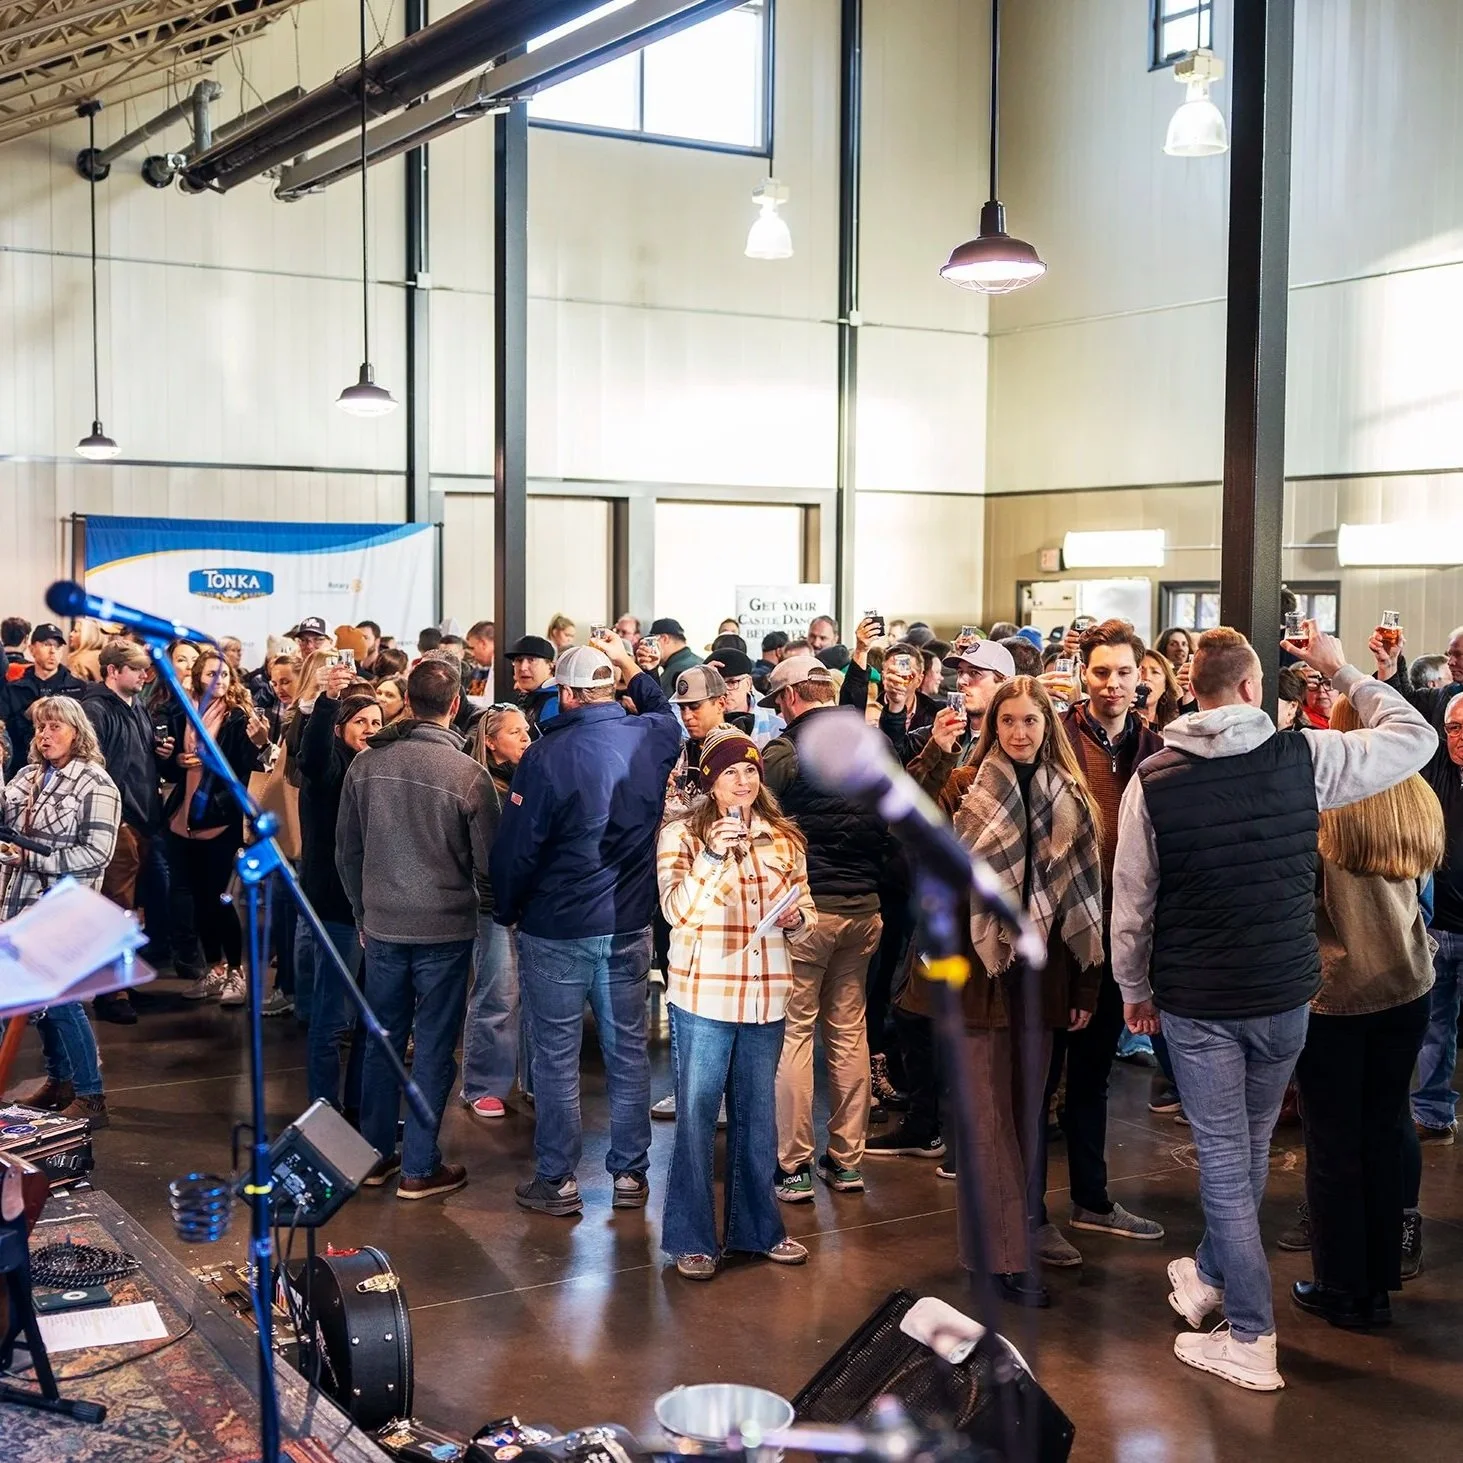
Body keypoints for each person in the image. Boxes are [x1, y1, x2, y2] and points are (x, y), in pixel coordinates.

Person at [1113, 622, 1435, 1392]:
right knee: (1246, 1151)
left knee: (1227, 1164)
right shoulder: (1306, 758)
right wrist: (1341, 667)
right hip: (1286, 996)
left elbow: (1131, 903)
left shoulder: (1152, 779)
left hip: (1198, 1001)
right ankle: (1210, 1279)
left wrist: (1131, 988)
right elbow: (1414, 735)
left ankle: (1251, 1337)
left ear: (1190, 690)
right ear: (1254, 687)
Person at [491, 636, 682, 1217]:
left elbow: (518, 851)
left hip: (558, 924)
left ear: (569, 694)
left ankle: (558, 1180)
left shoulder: (544, 756)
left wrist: (506, 909)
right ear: (610, 688)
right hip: (627, 921)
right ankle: (630, 1176)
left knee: (555, 1056)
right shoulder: (651, 737)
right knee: (629, 1052)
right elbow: (664, 711)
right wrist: (632, 667)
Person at [948, 676, 1105, 1306]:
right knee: (988, 1124)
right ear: (993, 725)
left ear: (1048, 727)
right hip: (981, 978)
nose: (1018, 732)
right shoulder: (966, 788)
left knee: (1025, 1118)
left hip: (1043, 982)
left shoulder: (1071, 798)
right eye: (1008, 721)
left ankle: (1000, 1247)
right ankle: (1002, 1259)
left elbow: (1089, 900)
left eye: (1030, 722)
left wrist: (1087, 986)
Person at [1289, 694, 1443, 1327]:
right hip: (1408, 983)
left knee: (1332, 1146)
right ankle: (1380, 1279)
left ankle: (1342, 1287)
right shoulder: (1418, 798)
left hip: (1336, 994)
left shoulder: (1327, 806)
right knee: (1386, 1127)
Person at [656, 727, 818, 1279]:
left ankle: (759, 1231)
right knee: (697, 1121)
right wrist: (711, 857)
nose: (743, 781)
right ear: (710, 781)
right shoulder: (681, 836)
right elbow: (679, 912)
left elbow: (808, 913)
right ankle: (691, 1239)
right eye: (730, 772)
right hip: (704, 994)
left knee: (757, 1121)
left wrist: (798, 920)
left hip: (768, 995)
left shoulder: (784, 837)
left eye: (750, 770)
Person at [337, 659, 498, 1200]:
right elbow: (489, 861)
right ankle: (420, 1168)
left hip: (382, 926)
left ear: (407, 698)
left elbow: (346, 851)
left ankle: (376, 1157)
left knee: (382, 1042)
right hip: (445, 931)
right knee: (431, 1048)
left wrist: (362, 913)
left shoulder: (367, 764)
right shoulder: (467, 774)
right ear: (456, 704)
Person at [1033, 621, 1165, 1263]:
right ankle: (1028, 1213)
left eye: (1123, 673)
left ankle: (1090, 1199)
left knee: (1092, 1076)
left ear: (1142, 676)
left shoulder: (1155, 745)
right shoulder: (1054, 740)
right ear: (1084, 674)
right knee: (1036, 1078)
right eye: (1101, 672)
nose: (1112, 685)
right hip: (1056, 939)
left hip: (1121, 934)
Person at [760, 655, 890, 1200]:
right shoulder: (872, 745)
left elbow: (754, 821)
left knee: (794, 1035)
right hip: (865, 911)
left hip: (806, 911)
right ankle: (847, 1161)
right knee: (849, 1031)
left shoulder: (784, 752)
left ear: (791, 697)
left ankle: (793, 1167)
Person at [1, 696, 121, 1127]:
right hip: (17, 908)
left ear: (77, 731)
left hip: (65, 912)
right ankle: (61, 1081)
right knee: (44, 1003)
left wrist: (31, 859)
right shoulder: (27, 776)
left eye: (54, 727)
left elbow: (98, 853)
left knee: (63, 1003)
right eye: (39, 727)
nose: (45, 735)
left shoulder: (96, 783)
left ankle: (91, 1096)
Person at [1370, 626, 1463, 1144]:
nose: (1460, 738)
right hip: (1441, 925)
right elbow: (1401, 712)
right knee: (1436, 1026)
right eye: (1451, 729)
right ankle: (1431, 1110)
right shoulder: (1435, 773)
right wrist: (1389, 668)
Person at [158, 651, 275, 1005]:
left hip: (218, 818)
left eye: (224, 674)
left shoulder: (238, 718)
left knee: (222, 899)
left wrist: (222, 805)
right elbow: (173, 767)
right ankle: (214, 967)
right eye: (211, 674)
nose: (219, 681)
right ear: (197, 678)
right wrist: (175, 761)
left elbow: (247, 772)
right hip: (183, 816)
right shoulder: (184, 713)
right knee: (197, 901)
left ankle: (236, 973)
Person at [297, 667, 382, 1115]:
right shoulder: (326, 770)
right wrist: (327, 699)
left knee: (370, 1022)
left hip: (376, 912)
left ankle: (362, 1108)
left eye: (376, 721)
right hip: (335, 908)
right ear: (339, 729)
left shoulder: (377, 769)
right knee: (331, 1021)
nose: (370, 729)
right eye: (360, 722)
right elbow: (310, 757)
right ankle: (323, 1112)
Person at [81, 639, 164, 1027]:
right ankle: (110, 992)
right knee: (114, 906)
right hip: (117, 820)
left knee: (129, 909)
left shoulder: (138, 706)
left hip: (143, 818)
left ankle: (121, 982)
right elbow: (89, 766)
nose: (145, 676)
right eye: (137, 669)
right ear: (113, 670)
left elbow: (138, 755)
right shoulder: (95, 709)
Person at [462, 704, 534, 1120]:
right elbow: (485, 856)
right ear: (490, 742)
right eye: (515, 732)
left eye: (527, 730)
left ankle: (533, 1080)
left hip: (534, 903)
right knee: (498, 996)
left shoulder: (534, 777)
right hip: (494, 906)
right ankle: (483, 1085)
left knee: (535, 998)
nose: (526, 738)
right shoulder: (481, 784)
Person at [2, 623, 86, 773]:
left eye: (58, 646)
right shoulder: (14, 689)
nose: (53, 651)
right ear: (31, 648)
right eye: (47, 644)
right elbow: (5, 732)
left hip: (66, 770)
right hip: (22, 770)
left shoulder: (79, 688)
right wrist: (26, 715)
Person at [503, 635, 560, 737]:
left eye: (531, 660)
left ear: (550, 665)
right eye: (519, 660)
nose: (523, 668)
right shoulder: (521, 698)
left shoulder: (555, 702)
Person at [646, 618, 703, 695]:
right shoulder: (699, 661)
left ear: (664, 639)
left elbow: (662, 705)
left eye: (651, 642)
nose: (648, 646)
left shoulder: (678, 670)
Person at [1138, 650, 1182, 731]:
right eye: (1141, 671)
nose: (1147, 677)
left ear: (1166, 685)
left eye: (1155, 672)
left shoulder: (1175, 725)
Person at [465, 620, 495, 698]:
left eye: (472, 648)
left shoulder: (501, 667)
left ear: (483, 644)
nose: (472, 654)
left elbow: (488, 702)